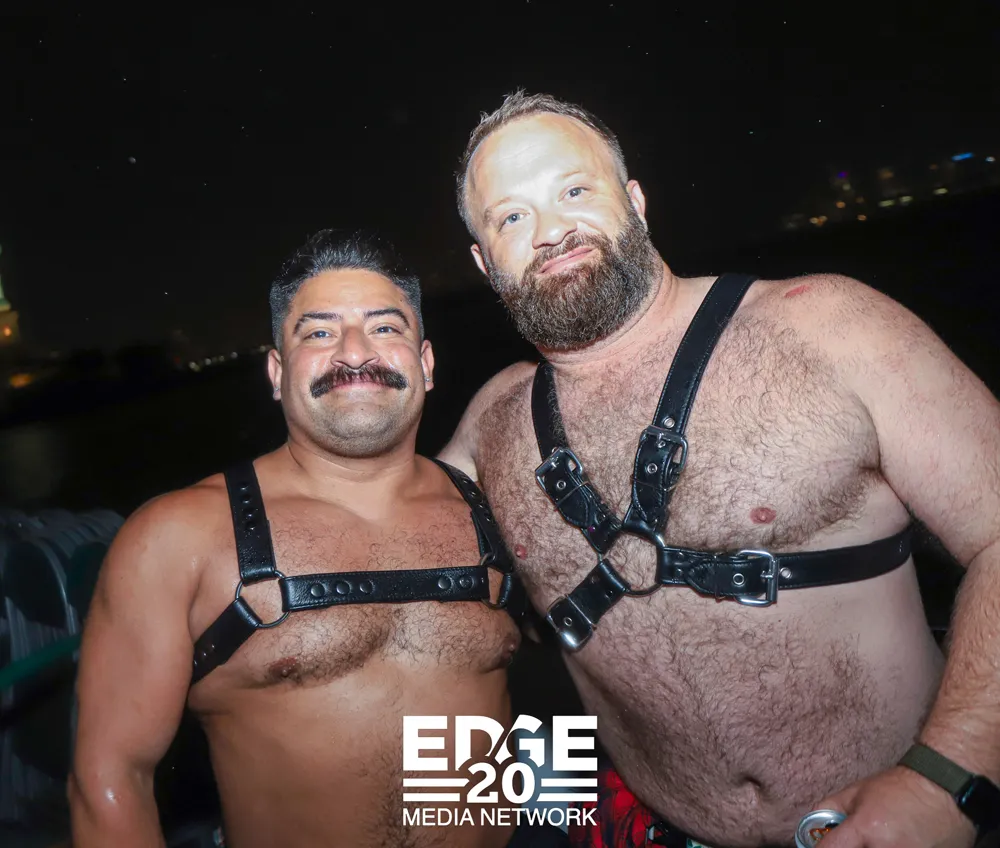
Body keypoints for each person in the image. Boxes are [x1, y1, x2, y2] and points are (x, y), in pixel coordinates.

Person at [438, 91, 1000, 848]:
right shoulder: (490, 426)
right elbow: (372, 550)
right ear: (484, 262)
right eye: (511, 217)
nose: (550, 231)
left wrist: (947, 782)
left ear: (635, 201)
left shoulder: (831, 328)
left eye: (574, 191)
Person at [69, 230, 571, 848]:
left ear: (426, 364)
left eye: (384, 328)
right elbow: (111, 777)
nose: (354, 353)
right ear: (277, 373)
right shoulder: (176, 538)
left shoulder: (497, 511)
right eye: (318, 333)